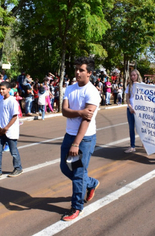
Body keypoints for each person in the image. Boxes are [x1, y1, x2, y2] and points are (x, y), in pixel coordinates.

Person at [60, 57, 101, 221]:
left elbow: (87, 119)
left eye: (81, 70)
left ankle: (77, 207)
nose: (77, 72)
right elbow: (64, 111)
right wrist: (79, 112)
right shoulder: (70, 88)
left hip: (84, 138)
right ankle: (91, 183)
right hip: (69, 134)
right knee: (64, 167)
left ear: (89, 73)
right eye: (76, 69)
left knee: (78, 173)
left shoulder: (92, 92)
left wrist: (76, 143)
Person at [0, 81, 23, 180]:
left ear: (9, 90)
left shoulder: (12, 101)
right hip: (1, 130)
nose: (1, 91)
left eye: (3, 89)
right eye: (0, 89)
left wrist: (6, 128)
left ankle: (18, 168)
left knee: (13, 151)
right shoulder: (1, 101)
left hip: (10, 131)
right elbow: (1, 115)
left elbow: (15, 116)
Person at [125, 69, 142, 153]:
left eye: (134, 75)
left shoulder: (142, 85)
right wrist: (130, 107)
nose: (132, 77)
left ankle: (145, 143)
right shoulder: (129, 85)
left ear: (138, 75)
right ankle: (132, 146)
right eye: (131, 75)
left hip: (140, 111)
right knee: (131, 128)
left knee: (141, 128)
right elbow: (127, 97)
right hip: (130, 110)